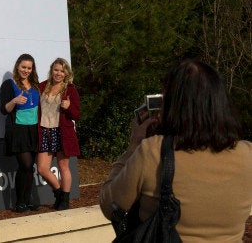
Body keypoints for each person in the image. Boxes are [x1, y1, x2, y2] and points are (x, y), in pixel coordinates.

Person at [100, 59, 252, 242]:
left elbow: (110, 205)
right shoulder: (248, 154)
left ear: (173, 105)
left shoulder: (152, 151)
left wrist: (134, 145)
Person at [36, 58, 80, 210]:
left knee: (63, 167)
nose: (59, 73)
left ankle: (65, 200)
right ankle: (59, 193)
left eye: (62, 71)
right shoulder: (42, 86)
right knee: (42, 168)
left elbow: (76, 114)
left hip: (61, 132)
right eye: (56, 70)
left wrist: (68, 107)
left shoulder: (70, 89)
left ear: (66, 73)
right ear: (51, 70)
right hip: (44, 131)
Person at [0, 54, 42, 212]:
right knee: (25, 164)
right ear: (17, 66)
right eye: (23, 67)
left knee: (30, 167)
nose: (26, 70)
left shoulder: (36, 85)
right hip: (18, 130)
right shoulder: (9, 84)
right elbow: (4, 110)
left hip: (34, 130)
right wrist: (14, 101)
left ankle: (26, 201)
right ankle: (20, 202)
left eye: (29, 68)